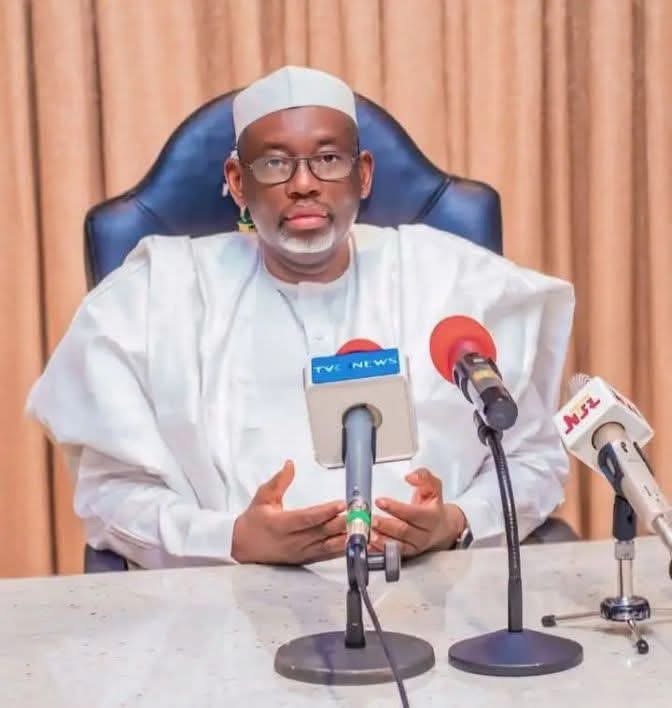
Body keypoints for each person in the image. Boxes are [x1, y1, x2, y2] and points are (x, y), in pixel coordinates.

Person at [26, 66, 575, 570]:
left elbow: (532, 461)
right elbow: (110, 494)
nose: (304, 183)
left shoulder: (457, 281)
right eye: (275, 163)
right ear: (237, 182)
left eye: (328, 159)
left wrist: (456, 523)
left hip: (436, 599)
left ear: (363, 174)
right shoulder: (156, 296)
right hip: (226, 609)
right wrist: (230, 540)